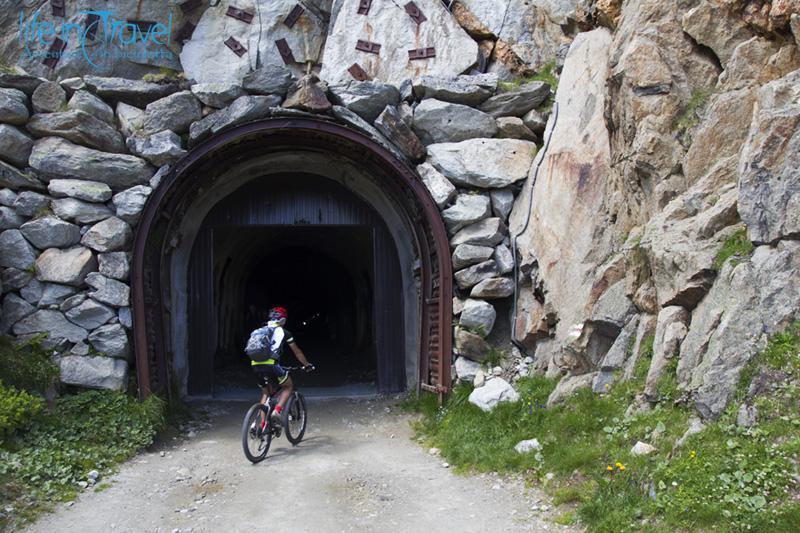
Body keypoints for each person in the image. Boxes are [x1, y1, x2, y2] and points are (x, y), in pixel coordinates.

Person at [251, 306, 313, 425]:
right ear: (283, 320)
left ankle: (262, 426)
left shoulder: (260, 330)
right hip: (272, 365)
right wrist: (307, 364)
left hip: (255, 364)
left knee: (265, 393)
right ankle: (277, 411)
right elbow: (297, 351)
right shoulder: (284, 332)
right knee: (288, 386)